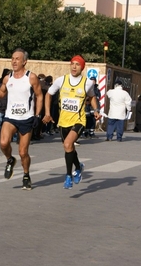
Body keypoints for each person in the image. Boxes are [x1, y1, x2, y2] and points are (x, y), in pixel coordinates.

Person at [0, 48, 43, 190]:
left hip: (26, 118)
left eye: (17, 58)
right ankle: (10, 160)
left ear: (24, 61)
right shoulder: (8, 78)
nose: (14, 61)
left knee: (23, 152)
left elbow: (39, 96)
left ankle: (26, 174)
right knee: (3, 143)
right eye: (12, 58)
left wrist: (37, 115)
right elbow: (0, 94)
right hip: (10, 117)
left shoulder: (31, 77)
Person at [42, 55, 100, 189]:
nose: (74, 67)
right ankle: (79, 167)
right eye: (72, 64)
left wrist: (96, 109)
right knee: (69, 148)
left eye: (77, 64)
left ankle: (68, 176)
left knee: (68, 144)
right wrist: (47, 113)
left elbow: (92, 97)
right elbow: (48, 94)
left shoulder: (87, 83)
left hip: (79, 120)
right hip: (63, 121)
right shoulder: (61, 80)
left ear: (82, 67)